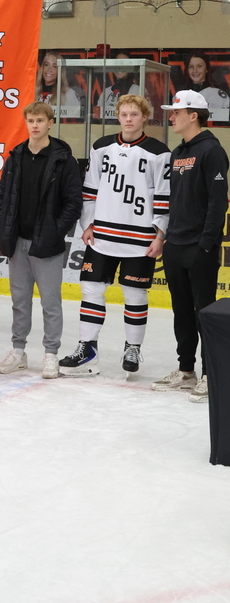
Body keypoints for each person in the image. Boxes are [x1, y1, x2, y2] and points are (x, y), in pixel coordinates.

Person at [59, 95, 170, 377]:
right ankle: (87, 346)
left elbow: (163, 196)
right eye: (124, 114)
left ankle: (132, 347)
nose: (129, 118)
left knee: (134, 294)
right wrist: (88, 224)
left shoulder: (159, 152)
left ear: (145, 116)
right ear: (117, 116)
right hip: (102, 235)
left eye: (134, 114)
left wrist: (160, 234)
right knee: (91, 290)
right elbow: (90, 189)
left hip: (140, 238)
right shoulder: (101, 146)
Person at [0, 101, 82, 379]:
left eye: (40, 120)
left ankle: (51, 354)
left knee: (50, 302)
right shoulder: (16, 156)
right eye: (30, 120)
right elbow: (2, 197)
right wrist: (4, 231)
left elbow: (73, 202)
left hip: (47, 244)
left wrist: (56, 231)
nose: (35, 125)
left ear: (50, 122)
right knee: (20, 300)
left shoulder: (62, 159)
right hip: (17, 242)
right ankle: (18, 351)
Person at [154, 90, 229, 402]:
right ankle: (186, 370)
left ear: (193, 115)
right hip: (176, 244)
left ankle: (212, 375)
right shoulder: (177, 152)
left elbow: (217, 203)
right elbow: (174, 201)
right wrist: (167, 238)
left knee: (204, 313)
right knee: (181, 311)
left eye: (176, 112)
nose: (171, 117)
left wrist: (207, 244)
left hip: (200, 247)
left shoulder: (212, 150)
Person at [182, 51, 229, 124]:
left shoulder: (216, 95)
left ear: (206, 69)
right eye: (191, 66)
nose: (195, 71)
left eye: (199, 66)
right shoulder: (180, 95)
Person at [36, 51, 82, 117]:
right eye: (46, 65)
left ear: (60, 70)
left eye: (55, 66)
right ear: (42, 68)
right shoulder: (33, 93)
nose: (49, 69)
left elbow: (75, 122)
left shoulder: (68, 94)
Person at [95, 52, 140, 121]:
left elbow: (145, 115)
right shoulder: (107, 91)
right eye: (117, 64)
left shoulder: (137, 90)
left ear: (131, 68)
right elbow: (97, 115)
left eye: (124, 64)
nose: (120, 67)